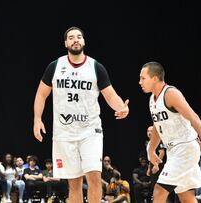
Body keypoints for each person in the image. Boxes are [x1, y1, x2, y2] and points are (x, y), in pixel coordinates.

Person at [33, 26, 129, 203]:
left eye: (78, 37)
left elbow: (110, 94)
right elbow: (41, 93)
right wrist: (37, 119)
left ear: (84, 41)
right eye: (71, 37)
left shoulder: (95, 67)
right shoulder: (55, 66)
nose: (75, 40)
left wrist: (121, 107)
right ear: (65, 43)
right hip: (64, 132)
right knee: (74, 183)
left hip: (90, 131)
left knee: (93, 177)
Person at [138, 61, 201, 203]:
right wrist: (151, 150)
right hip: (174, 150)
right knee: (186, 197)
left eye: (143, 78)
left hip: (185, 148)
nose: (140, 82)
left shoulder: (170, 93)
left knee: (159, 190)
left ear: (154, 78)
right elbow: (157, 126)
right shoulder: (152, 100)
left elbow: (193, 117)